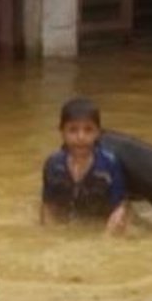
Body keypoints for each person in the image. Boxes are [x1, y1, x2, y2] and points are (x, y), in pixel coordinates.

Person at [40, 98, 130, 235]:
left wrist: (107, 239)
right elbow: (48, 206)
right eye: (72, 130)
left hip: (99, 218)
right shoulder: (54, 164)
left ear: (98, 133)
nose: (80, 137)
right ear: (62, 132)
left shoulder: (109, 164)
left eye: (88, 130)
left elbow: (120, 206)